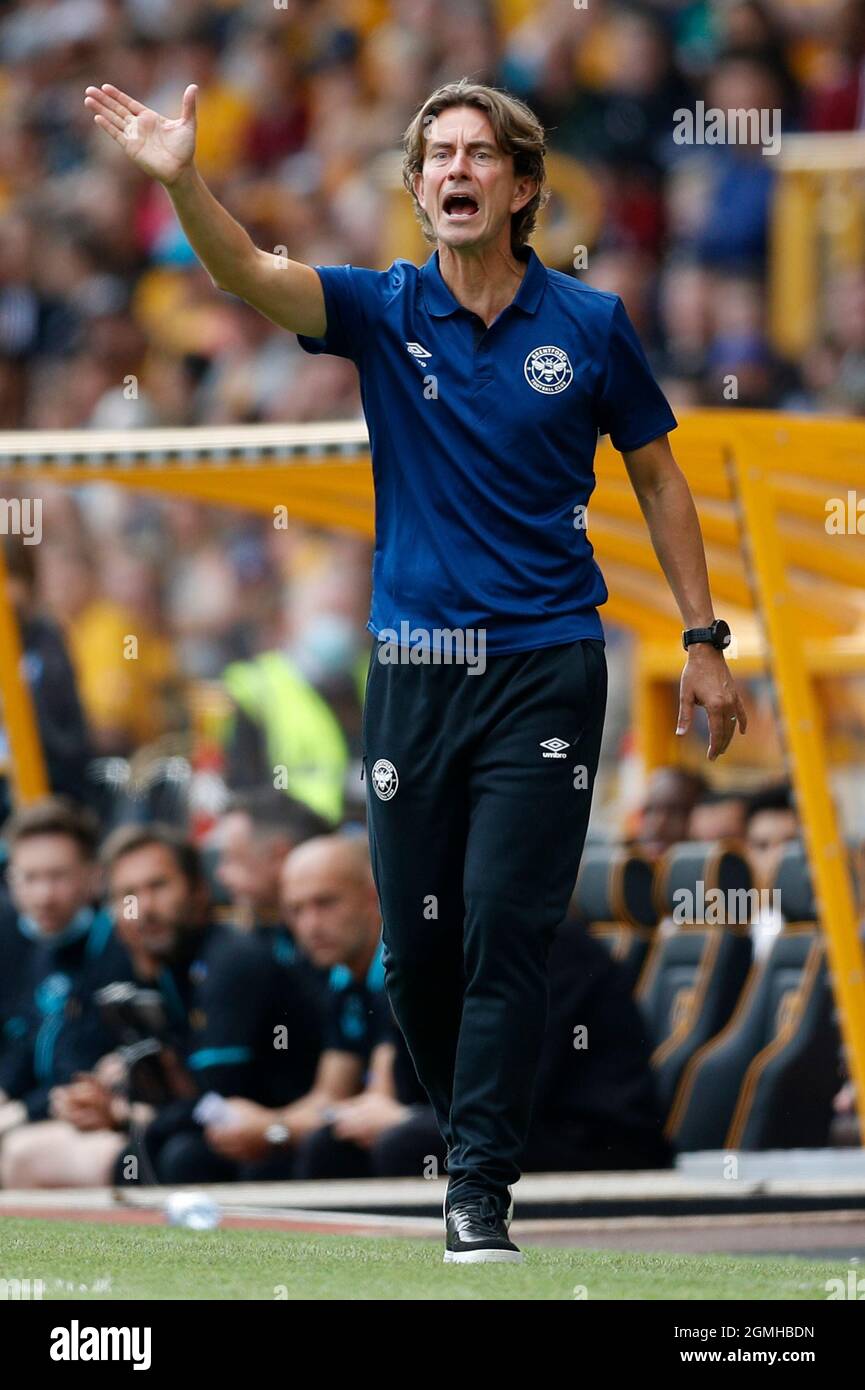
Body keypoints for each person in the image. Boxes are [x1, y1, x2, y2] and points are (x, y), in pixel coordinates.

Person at [84, 75, 746, 1264]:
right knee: (415, 953)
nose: (455, 169)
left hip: (546, 661)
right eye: (436, 152)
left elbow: (658, 476)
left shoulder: (590, 325)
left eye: (478, 154)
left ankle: (478, 1184)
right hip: (415, 670)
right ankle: (478, 1123)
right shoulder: (381, 309)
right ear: (416, 185)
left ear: (521, 184)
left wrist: (702, 642)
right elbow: (244, 273)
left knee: (502, 925)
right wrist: (184, 177)